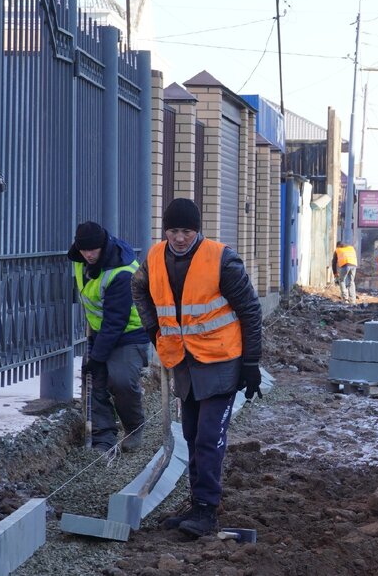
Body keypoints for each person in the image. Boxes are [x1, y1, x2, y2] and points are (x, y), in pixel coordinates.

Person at [131, 198, 263, 539]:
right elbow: (139, 289)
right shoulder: (153, 258)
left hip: (222, 361)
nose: (178, 238)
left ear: (198, 230)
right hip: (184, 361)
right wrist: (153, 332)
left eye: (186, 231)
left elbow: (250, 311)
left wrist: (251, 363)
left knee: (208, 436)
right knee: (190, 433)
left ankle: (207, 509)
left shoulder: (222, 260)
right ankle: (196, 503)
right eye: (173, 231)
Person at [68, 221, 150, 454]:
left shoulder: (121, 272)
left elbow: (116, 320)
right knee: (96, 382)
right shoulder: (79, 260)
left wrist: (98, 355)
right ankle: (103, 438)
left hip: (129, 333)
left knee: (121, 380)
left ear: (103, 245)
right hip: (99, 331)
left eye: (93, 250)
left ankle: (134, 428)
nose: (89, 255)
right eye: (84, 250)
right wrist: (96, 358)